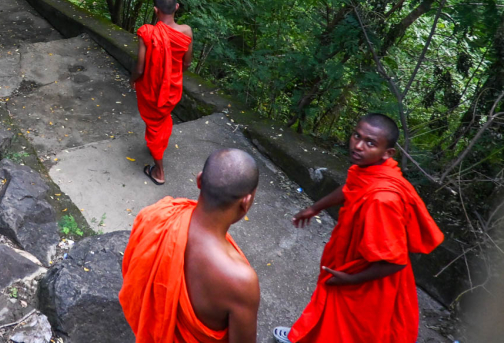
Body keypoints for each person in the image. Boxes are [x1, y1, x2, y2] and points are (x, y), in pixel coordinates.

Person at [273, 113, 444, 343]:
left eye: (370, 142)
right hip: (354, 260)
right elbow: (349, 188)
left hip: (370, 278)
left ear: (388, 152)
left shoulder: (382, 200)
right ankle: (305, 335)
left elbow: (397, 261)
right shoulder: (370, 169)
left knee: (351, 328)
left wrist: (349, 279)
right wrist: (315, 208)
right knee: (331, 311)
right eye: (356, 136)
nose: (358, 145)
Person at [120, 148, 261, 343]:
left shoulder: (157, 216)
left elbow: (133, 276)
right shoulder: (241, 282)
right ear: (246, 202)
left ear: (199, 180)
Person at [130, 0, 193, 185]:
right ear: (176, 7)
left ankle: (159, 172)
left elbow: (140, 68)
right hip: (172, 88)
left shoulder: (147, 32)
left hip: (152, 88)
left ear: (155, 10)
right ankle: (156, 145)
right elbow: (187, 63)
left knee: (154, 126)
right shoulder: (186, 31)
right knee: (162, 120)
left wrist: (132, 79)